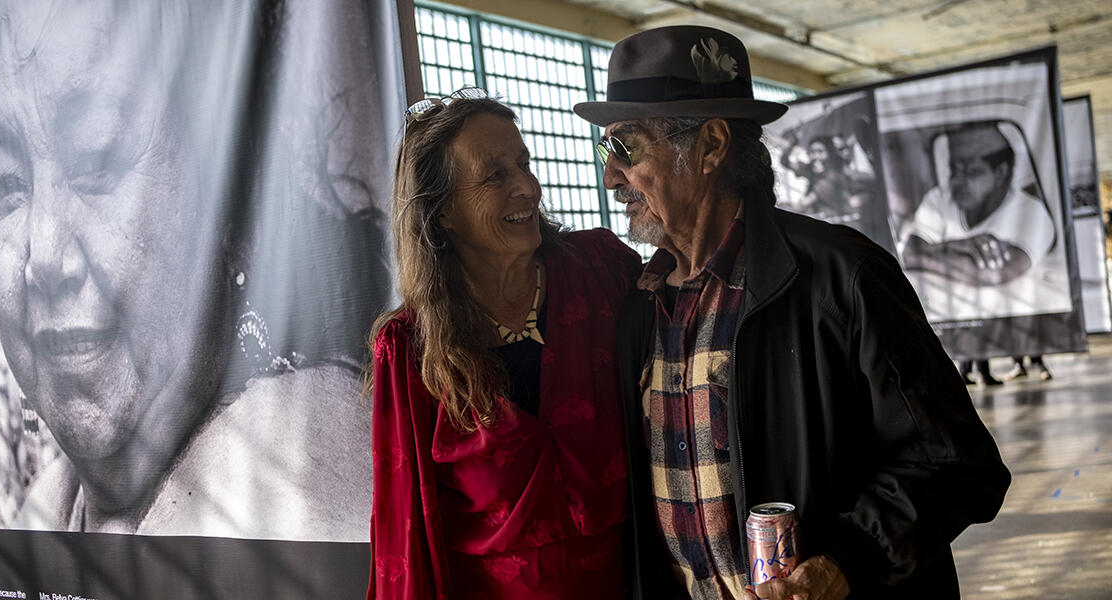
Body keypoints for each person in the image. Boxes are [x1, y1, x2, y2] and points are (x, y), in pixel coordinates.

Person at [574, 26, 1011, 599]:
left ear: (709, 145)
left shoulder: (841, 277)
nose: (610, 175)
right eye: (606, 150)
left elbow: (957, 462)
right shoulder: (640, 305)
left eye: (625, 147)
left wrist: (846, 561)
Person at [0, 1, 381, 540]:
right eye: (6, 185)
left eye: (98, 160)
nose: (43, 255)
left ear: (236, 204)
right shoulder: (51, 505)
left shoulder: (290, 463)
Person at [366, 89, 643, 599]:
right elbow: (404, 531)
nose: (528, 188)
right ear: (443, 210)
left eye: (523, 164)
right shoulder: (409, 348)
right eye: (494, 175)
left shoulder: (602, 271)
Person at [898, 122, 1055, 286]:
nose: (957, 180)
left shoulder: (1033, 214)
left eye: (970, 171)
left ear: (1000, 172)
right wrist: (955, 246)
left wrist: (922, 254)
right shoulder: (939, 198)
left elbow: (995, 273)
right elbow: (910, 247)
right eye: (954, 170)